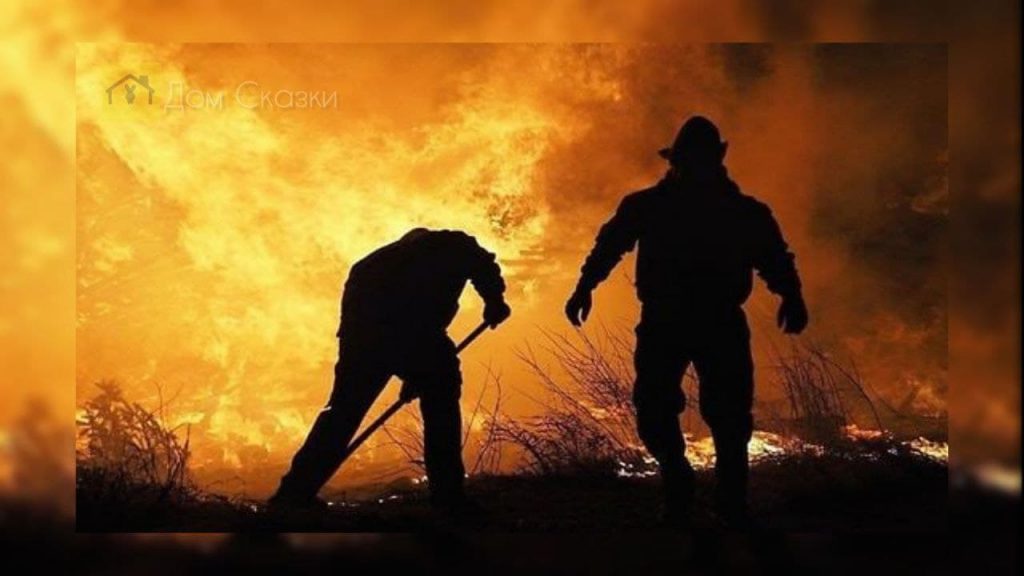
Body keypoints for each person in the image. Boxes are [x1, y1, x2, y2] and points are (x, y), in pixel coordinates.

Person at [564, 116, 808, 526]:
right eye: (689, 159)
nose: (694, 167)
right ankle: (679, 480)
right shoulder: (648, 206)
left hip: (716, 321)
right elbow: (610, 245)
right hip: (666, 320)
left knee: (730, 417)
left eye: (701, 159)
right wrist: (585, 285)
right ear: (677, 162)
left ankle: (730, 503)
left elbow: (774, 257)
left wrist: (792, 294)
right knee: (654, 410)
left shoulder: (743, 212)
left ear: (714, 161)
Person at [270, 228, 511, 514]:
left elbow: (357, 331)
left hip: (364, 341)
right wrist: (495, 302)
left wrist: (411, 372)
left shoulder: (369, 265)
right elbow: (482, 265)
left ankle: (294, 494)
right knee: (442, 401)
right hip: (409, 332)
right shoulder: (452, 244)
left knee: (342, 413)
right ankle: (448, 498)